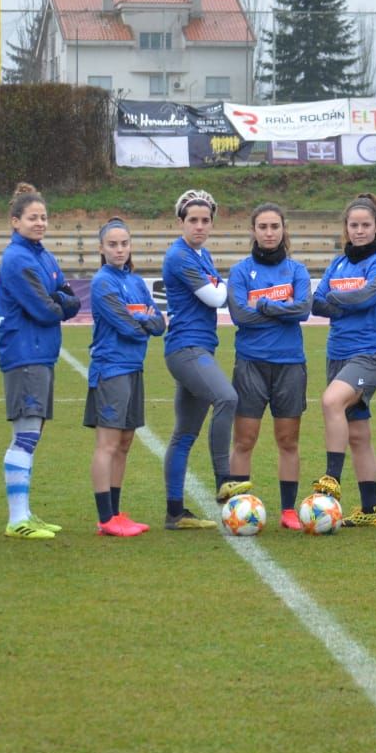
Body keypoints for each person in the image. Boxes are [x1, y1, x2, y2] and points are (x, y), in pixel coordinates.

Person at [0, 182, 79, 540]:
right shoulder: (17, 259)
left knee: (32, 433)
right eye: (32, 217)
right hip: (24, 352)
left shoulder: (43, 256)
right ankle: (17, 519)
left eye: (43, 217)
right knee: (26, 435)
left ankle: (25, 512)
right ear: (15, 221)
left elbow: (71, 299)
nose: (40, 222)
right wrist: (57, 301)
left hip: (41, 353)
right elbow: (46, 309)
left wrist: (58, 300)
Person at [309, 193, 376, 527]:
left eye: (365, 225)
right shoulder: (339, 263)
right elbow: (316, 304)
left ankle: (331, 479)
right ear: (346, 228)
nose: (359, 231)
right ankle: (370, 510)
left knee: (331, 401)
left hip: (370, 355)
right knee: (358, 435)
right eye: (353, 225)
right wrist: (339, 300)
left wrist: (336, 298)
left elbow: (365, 297)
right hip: (337, 354)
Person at [161, 189, 245, 530]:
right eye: (192, 220)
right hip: (186, 349)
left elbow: (217, 290)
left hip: (198, 349)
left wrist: (219, 283)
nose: (199, 226)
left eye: (205, 220)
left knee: (184, 434)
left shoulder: (201, 254)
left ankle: (175, 513)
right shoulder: (180, 256)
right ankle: (224, 478)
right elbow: (215, 296)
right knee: (227, 397)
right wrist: (222, 284)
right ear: (181, 222)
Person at [227, 203, 312, 531]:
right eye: (262, 226)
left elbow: (303, 310)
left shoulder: (296, 270)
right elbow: (240, 317)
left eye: (274, 226)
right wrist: (281, 309)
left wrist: (261, 304)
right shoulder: (239, 271)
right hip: (250, 363)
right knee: (244, 440)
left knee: (288, 440)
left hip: (290, 364)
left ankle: (288, 510)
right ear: (253, 231)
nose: (268, 232)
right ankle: (237, 506)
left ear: (283, 229)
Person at [86, 219, 165, 537]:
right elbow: (129, 327)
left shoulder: (135, 282)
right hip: (111, 369)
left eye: (124, 244)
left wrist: (145, 319)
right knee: (107, 443)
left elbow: (159, 325)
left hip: (134, 368)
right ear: (102, 249)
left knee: (125, 442)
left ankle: (116, 512)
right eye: (113, 245)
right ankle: (105, 517)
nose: (119, 250)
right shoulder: (102, 283)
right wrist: (143, 318)